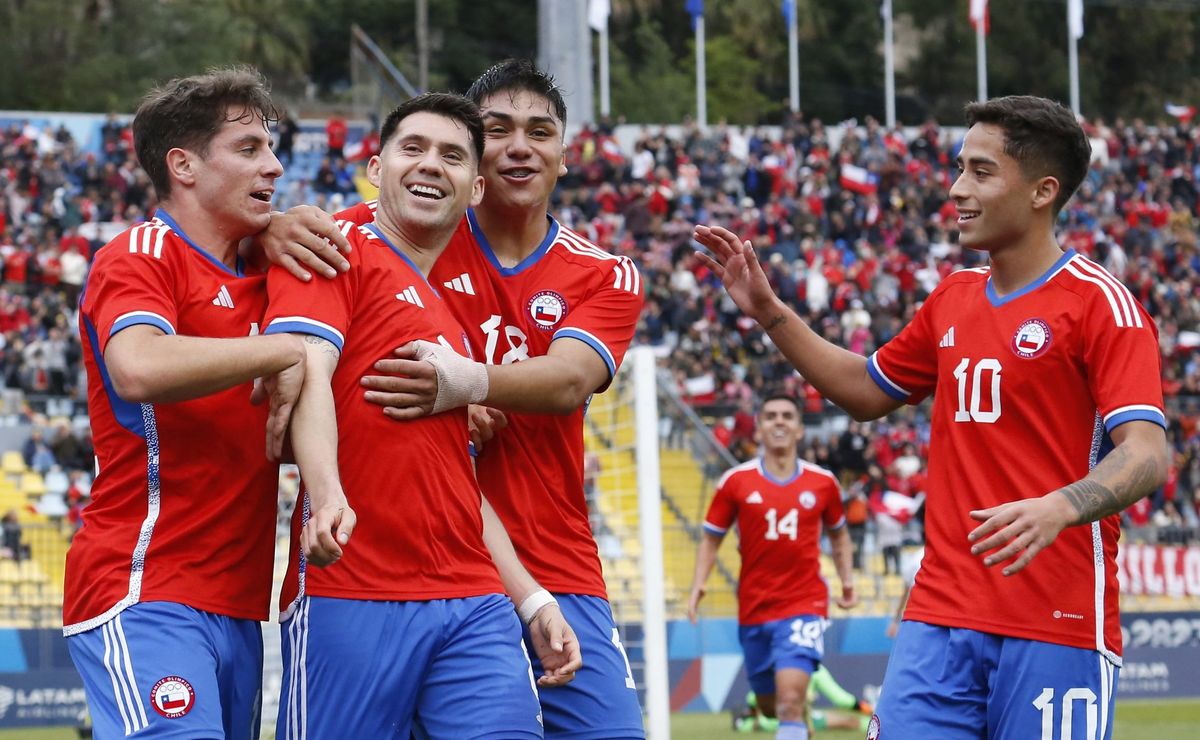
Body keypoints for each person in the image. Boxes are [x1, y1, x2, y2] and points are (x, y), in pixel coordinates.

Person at [695, 95, 1169, 739]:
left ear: (1042, 191)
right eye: (958, 168)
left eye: (980, 171)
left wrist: (1059, 506)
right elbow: (866, 390)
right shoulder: (953, 296)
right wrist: (771, 313)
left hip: (1054, 623)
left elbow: (1145, 451)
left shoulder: (1099, 305)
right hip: (939, 619)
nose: (956, 188)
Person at [323, 59, 647, 738]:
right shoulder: (408, 234)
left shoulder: (604, 272)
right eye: (497, 130)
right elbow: (306, 244)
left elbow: (566, 382)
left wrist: (463, 381)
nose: (520, 146)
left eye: (541, 131)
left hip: (556, 565)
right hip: (417, 569)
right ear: (475, 158)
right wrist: (283, 224)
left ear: (565, 152)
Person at [263, 92, 576, 739]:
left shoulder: (453, 327)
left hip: (473, 600)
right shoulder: (335, 249)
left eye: (453, 156)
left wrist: (531, 596)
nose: (432, 165)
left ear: (475, 187)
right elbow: (308, 371)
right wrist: (326, 498)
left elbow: (457, 482)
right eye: (414, 148)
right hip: (350, 589)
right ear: (375, 169)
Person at [61, 67, 312, 740]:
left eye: (271, 146)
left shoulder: (267, 272)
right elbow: (138, 366)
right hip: (145, 586)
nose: (276, 165)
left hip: (238, 604)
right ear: (184, 165)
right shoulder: (140, 254)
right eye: (250, 148)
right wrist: (278, 350)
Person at [687, 394, 856, 740]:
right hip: (754, 608)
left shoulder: (823, 483)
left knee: (790, 699)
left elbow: (839, 537)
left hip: (804, 603)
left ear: (798, 430)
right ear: (759, 429)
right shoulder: (735, 482)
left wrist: (847, 582)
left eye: (788, 416)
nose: (779, 421)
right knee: (768, 706)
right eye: (771, 416)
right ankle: (798, 723)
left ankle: (796, 715)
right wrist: (698, 584)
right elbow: (711, 538)